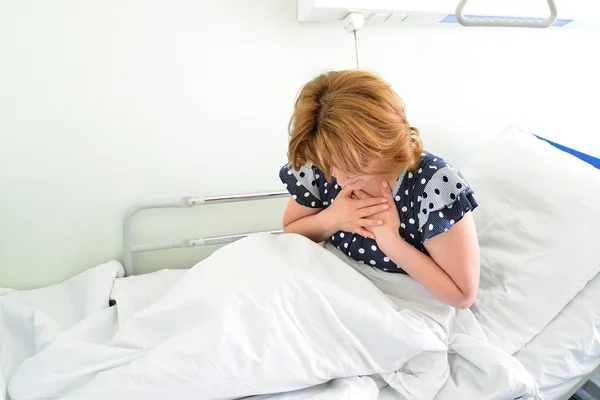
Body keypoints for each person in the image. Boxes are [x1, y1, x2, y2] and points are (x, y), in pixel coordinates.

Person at [279, 70, 480, 309]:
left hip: (401, 303)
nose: (340, 180)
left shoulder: (432, 184)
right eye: (330, 167)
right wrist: (332, 219)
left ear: (383, 143)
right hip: (333, 287)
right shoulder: (321, 160)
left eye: (354, 166)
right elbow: (291, 232)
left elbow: (462, 296)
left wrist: (391, 242)